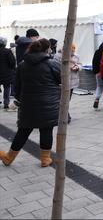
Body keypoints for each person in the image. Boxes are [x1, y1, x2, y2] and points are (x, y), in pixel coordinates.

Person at [0, 39, 60, 167]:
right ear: (46, 49)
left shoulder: (22, 64)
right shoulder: (51, 64)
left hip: (28, 104)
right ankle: (45, 159)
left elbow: (16, 87)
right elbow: (60, 79)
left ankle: (9, 157)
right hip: (48, 104)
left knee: (23, 131)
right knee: (46, 129)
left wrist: (21, 98)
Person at [54, 43, 81, 124]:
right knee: (62, 99)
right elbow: (55, 67)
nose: (72, 53)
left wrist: (77, 67)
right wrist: (66, 67)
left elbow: (80, 64)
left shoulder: (76, 56)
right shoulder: (58, 56)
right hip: (63, 81)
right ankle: (65, 116)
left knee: (67, 99)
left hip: (73, 81)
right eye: (70, 51)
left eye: (73, 51)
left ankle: (64, 115)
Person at [0, 37, 16, 110]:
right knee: (7, 87)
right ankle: (6, 103)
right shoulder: (7, 51)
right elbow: (12, 62)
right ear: (5, 43)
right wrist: (12, 68)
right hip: (6, 72)